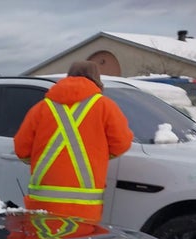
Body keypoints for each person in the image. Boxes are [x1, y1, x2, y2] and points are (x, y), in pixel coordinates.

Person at [14, 60, 133, 222]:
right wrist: (98, 154)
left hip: (42, 204)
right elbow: (122, 144)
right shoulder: (105, 106)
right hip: (85, 207)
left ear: (68, 76)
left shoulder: (41, 108)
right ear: (97, 79)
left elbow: (22, 150)